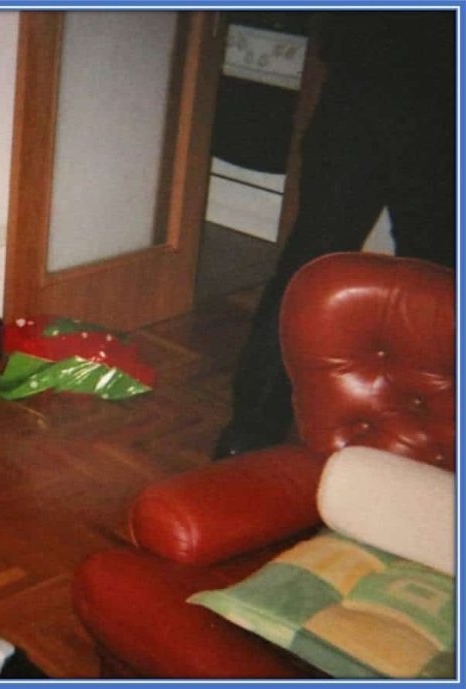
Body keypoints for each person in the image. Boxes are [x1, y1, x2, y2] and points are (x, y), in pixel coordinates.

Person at [214, 11, 456, 459]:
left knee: (313, 261)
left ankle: (248, 432)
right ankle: (418, 433)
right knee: (431, 279)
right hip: (419, 89)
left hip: (362, 82)